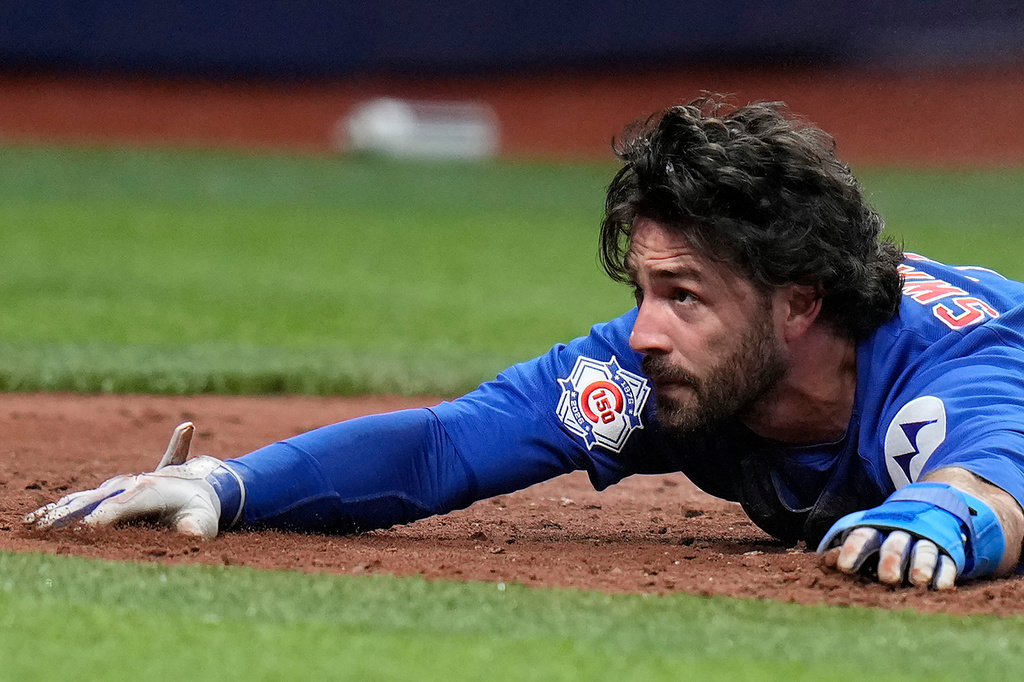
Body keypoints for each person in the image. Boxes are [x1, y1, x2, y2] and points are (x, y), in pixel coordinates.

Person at [25, 96, 1024, 591]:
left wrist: (948, 515)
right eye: (643, 290)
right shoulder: (659, 371)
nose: (645, 332)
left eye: (684, 295)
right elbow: (448, 444)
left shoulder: (955, 364)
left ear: (798, 302)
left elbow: (994, 476)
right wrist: (228, 487)